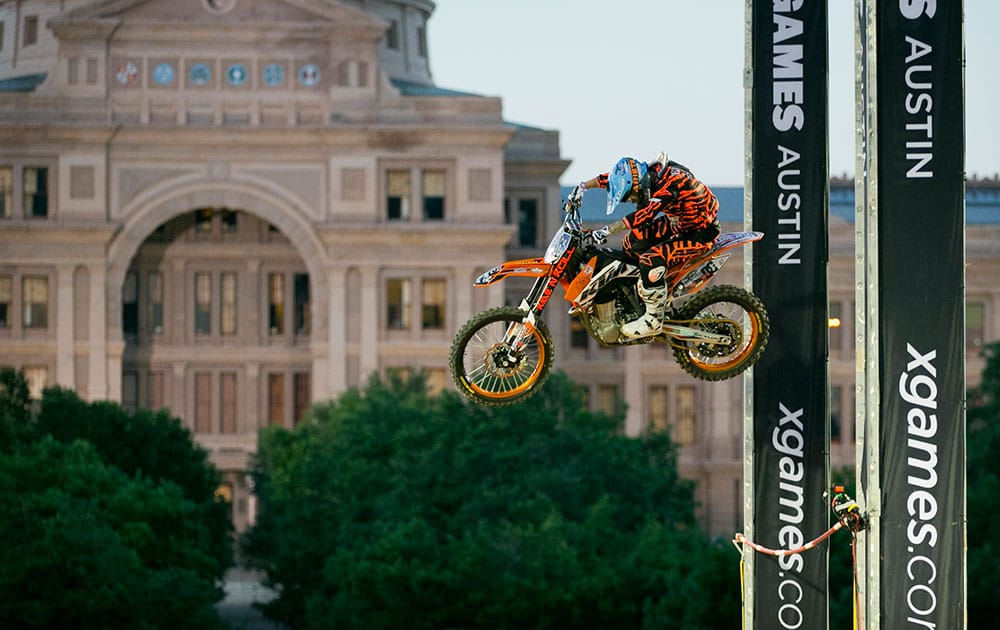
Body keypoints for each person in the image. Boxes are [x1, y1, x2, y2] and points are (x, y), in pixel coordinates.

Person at [567, 153, 720, 340]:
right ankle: (643, 289)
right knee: (631, 242)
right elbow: (611, 179)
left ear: (638, 186)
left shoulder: (669, 184)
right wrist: (582, 186)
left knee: (650, 258)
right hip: (679, 222)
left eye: (630, 197)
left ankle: (653, 319)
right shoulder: (648, 174)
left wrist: (606, 231)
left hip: (699, 233)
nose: (631, 201)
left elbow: (645, 215)